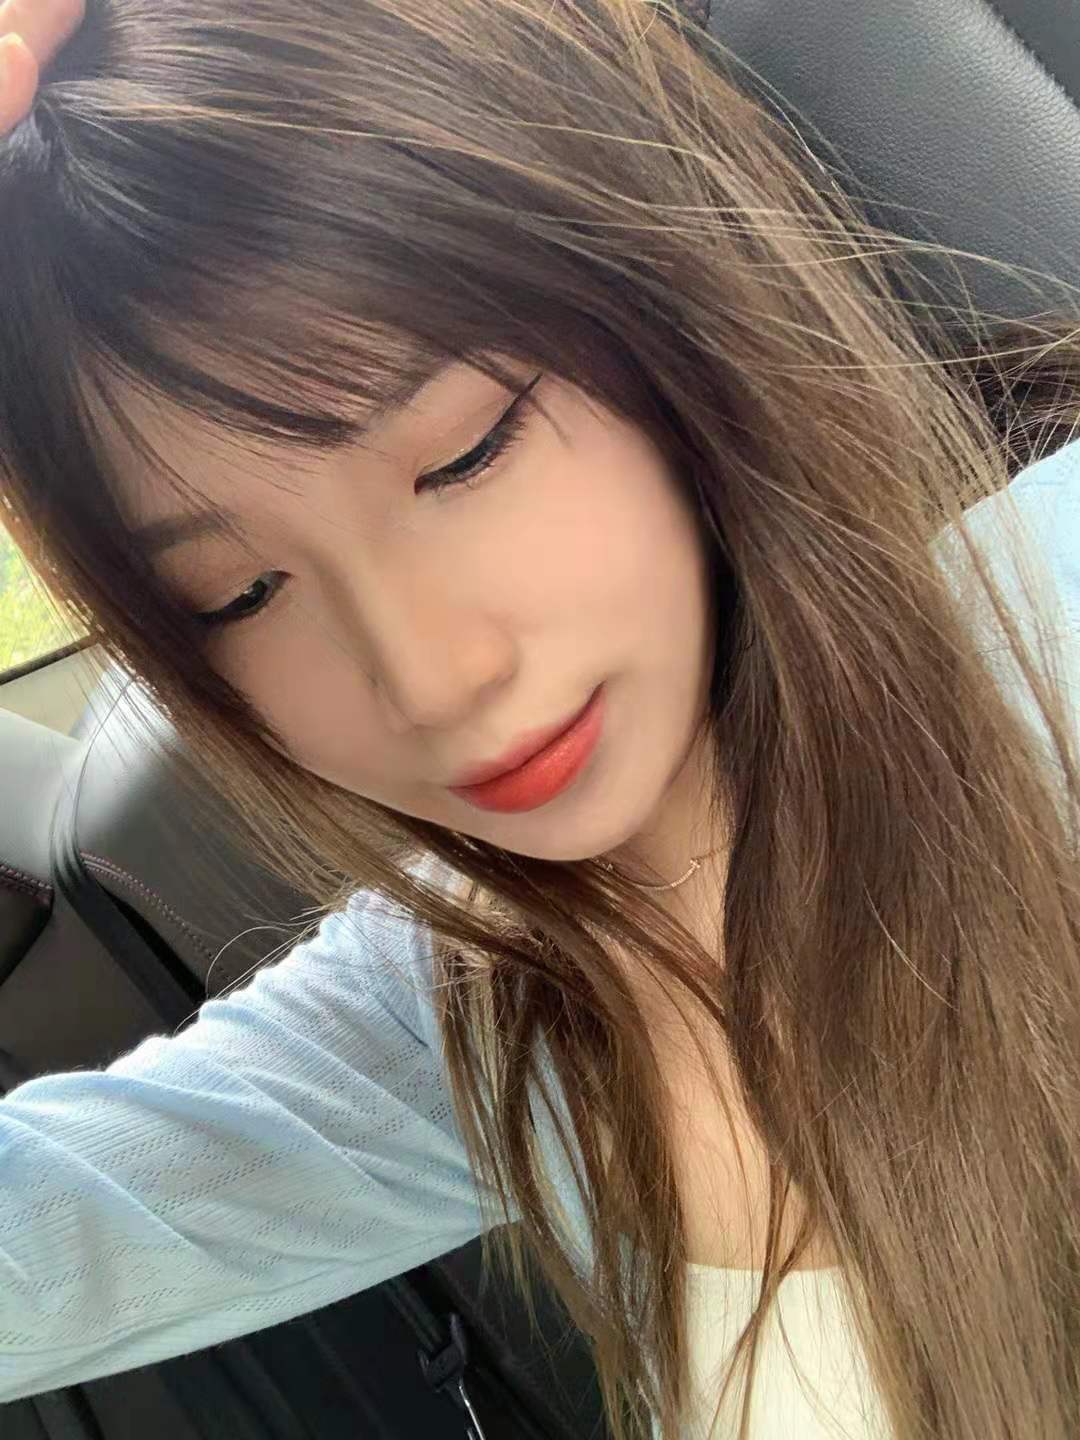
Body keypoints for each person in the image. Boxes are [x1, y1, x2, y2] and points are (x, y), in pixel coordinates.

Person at [1, 1, 1079, 1437]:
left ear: (661, 301)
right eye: (236, 595)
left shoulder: (1047, 624)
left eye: (466, 455)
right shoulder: (475, 993)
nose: (430, 680)